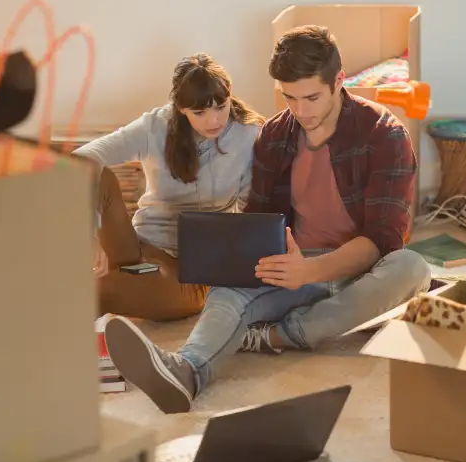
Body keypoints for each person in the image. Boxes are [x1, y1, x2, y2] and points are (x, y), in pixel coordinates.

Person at [103, 26, 432, 413]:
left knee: (411, 266)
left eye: (311, 97)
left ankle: (277, 335)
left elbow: (383, 239)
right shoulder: (276, 135)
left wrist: (310, 271)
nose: (301, 111)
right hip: (293, 264)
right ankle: (187, 370)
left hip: (363, 267)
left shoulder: (384, 135)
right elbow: (260, 221)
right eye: (289, 97)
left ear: (339, 82)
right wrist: (246, 264)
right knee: (229, 290)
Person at [75, 53, 265, 322]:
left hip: (191, 270)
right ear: (181, 108)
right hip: (139, 246)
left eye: (221, 106)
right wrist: (89, 232)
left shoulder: (249, 134)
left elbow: (251, 212)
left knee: (99, 289)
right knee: (98, 174)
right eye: (199, 112)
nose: (213, 120)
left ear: (229, 96)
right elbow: (82, 159)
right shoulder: (155, 126)